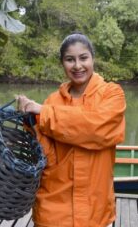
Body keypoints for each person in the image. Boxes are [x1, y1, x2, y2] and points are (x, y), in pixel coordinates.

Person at [16, 33, 126, 227]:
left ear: (93, 58)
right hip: (54, 212)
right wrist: (30, 122)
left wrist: (43, 112)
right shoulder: (52, 101)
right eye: (70, 59)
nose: (77, 66)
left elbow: (96, 129)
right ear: (62, 63)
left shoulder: (112, 94)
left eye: (83, 58)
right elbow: (45, 155)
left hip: (96, 213)